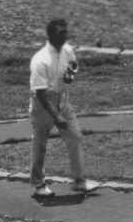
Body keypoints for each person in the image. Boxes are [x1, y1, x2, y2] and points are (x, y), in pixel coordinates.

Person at [28, 17, 95, 196]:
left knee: (75, 136)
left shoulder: (67, 50)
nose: (65, 36)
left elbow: (73, 65)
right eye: (61, 33)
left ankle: (79, 181)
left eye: (66, 32)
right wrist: (56, 116)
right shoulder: (40, 60)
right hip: (42, 104)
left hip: (62, 98)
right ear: (51, 35)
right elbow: (41, 93)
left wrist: (70, 75)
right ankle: (38, 184)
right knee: (40, 144)